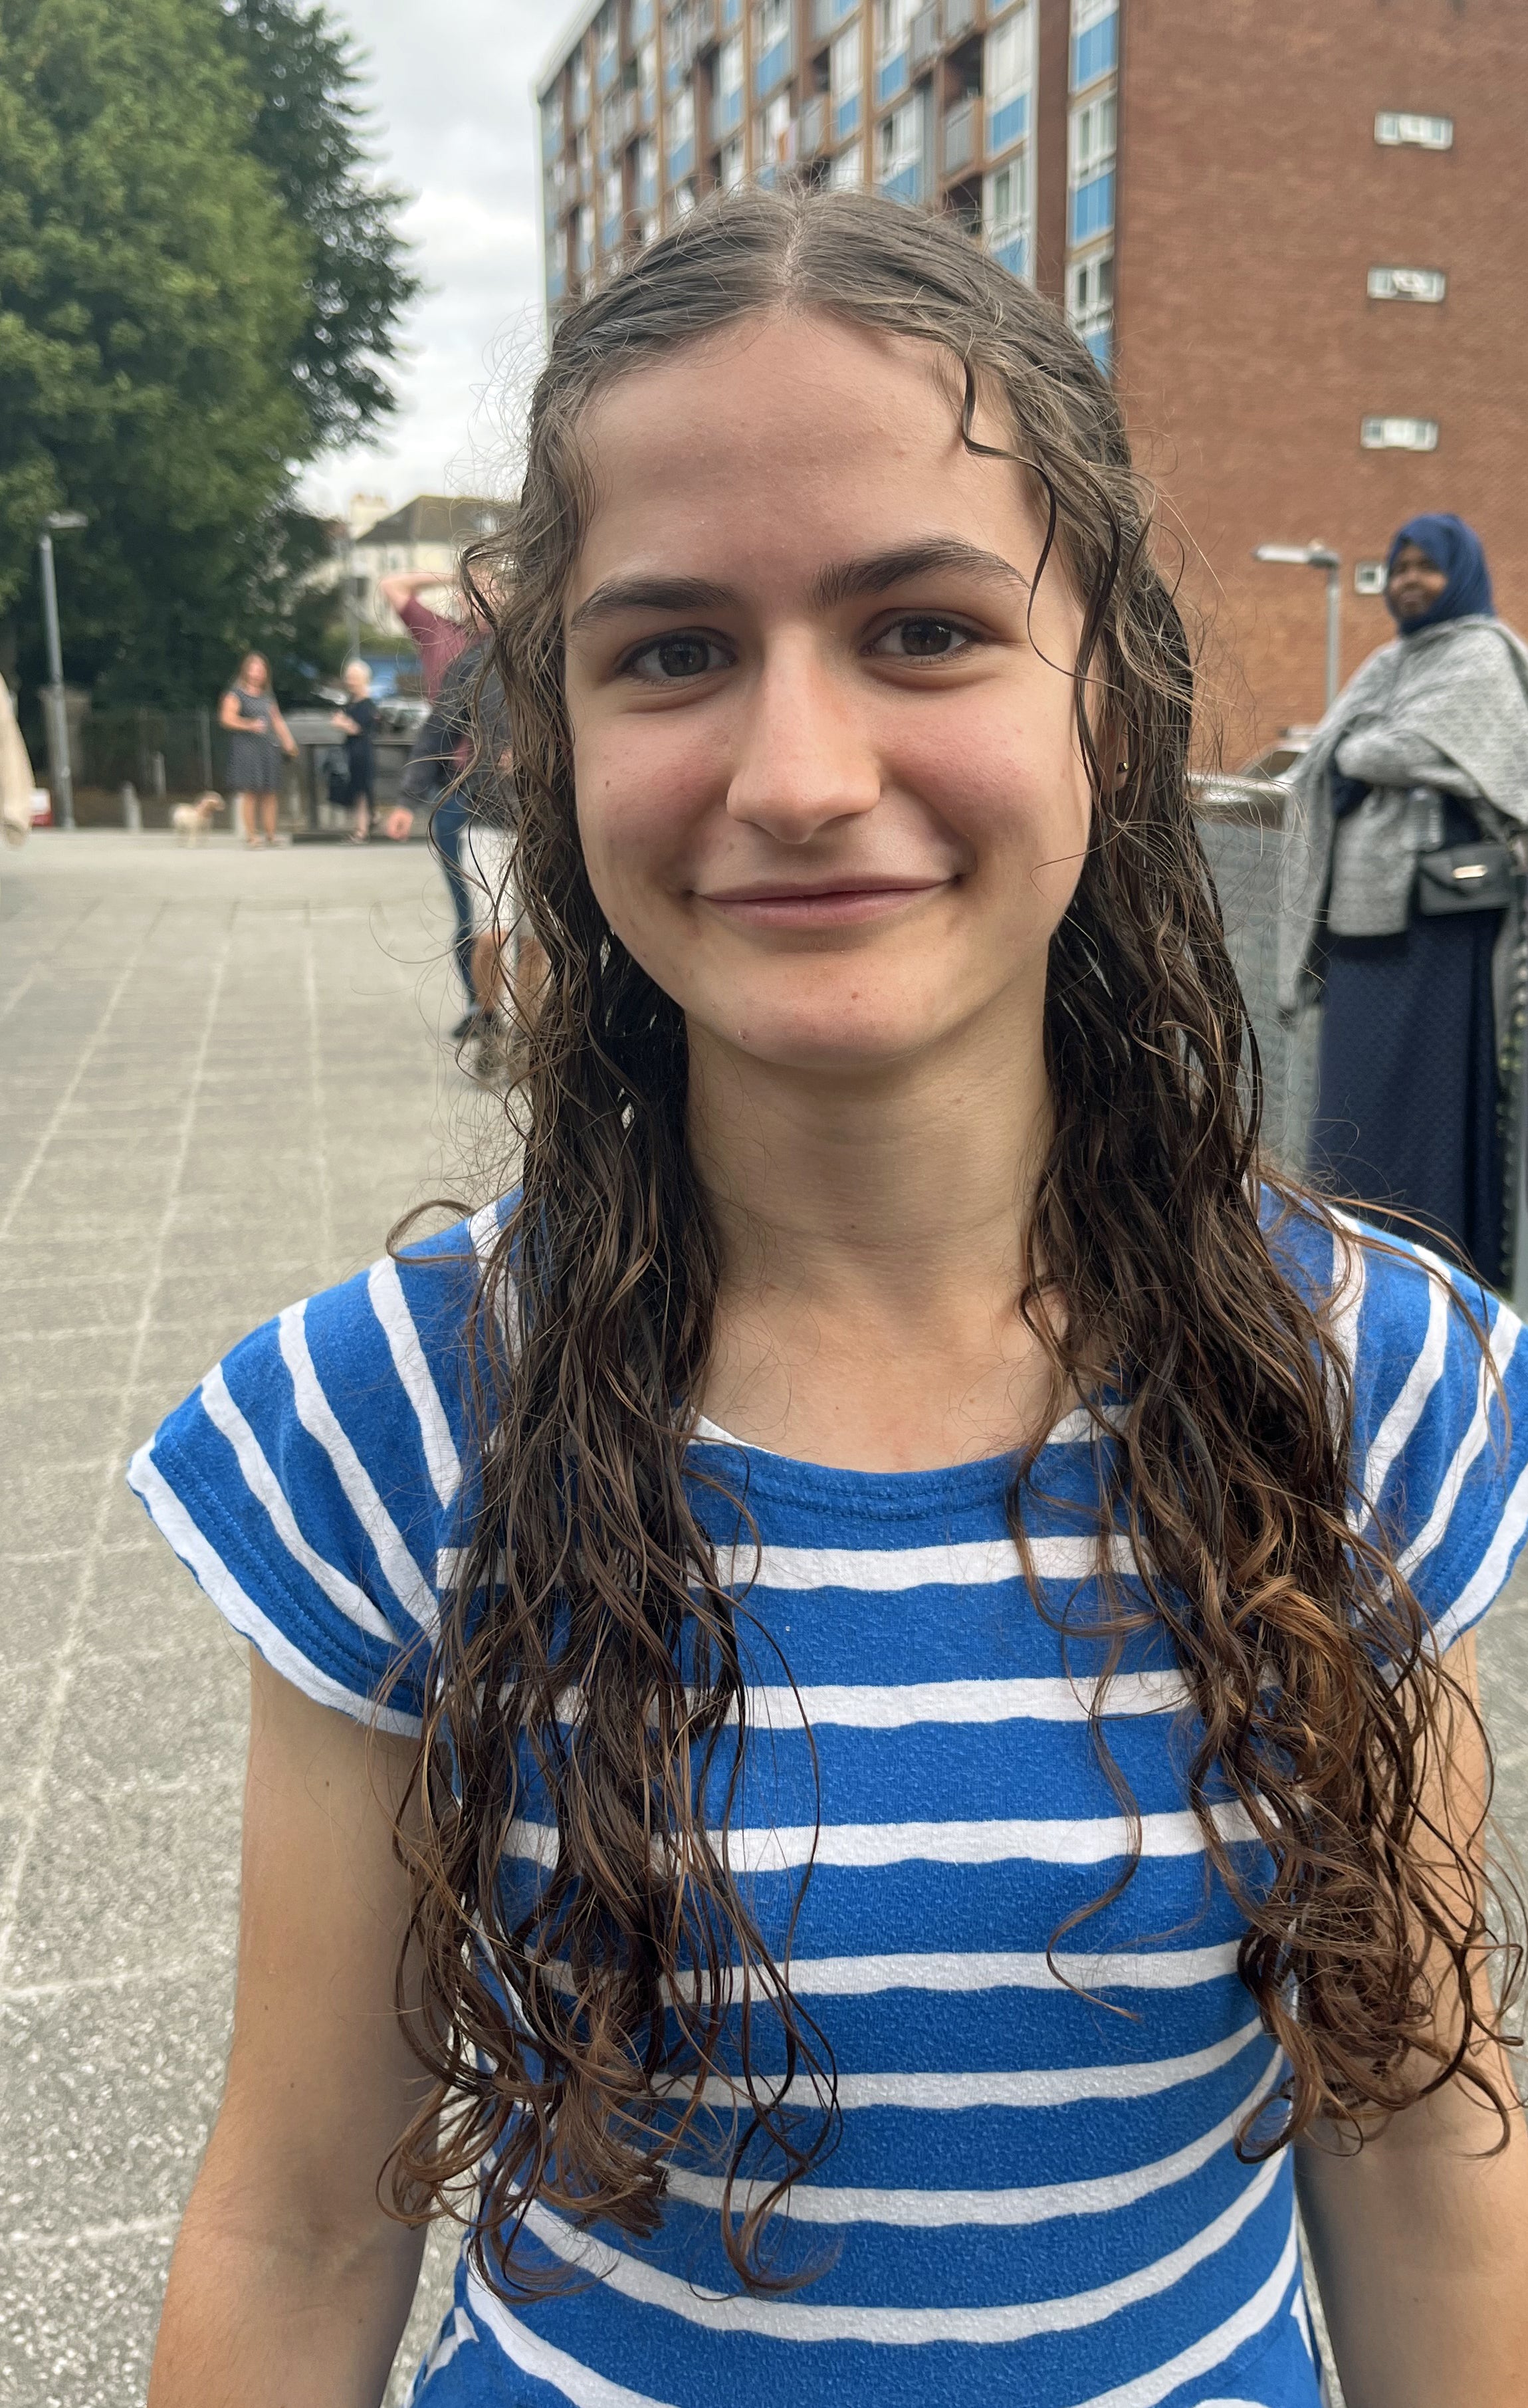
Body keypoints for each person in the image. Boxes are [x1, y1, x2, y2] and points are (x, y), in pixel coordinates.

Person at [132, 193, 1528, 2408]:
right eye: (670, 649)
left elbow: (1408, 2132)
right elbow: (305, 2208)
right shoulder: (387, 1423)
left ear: (1111, 682)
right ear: (555, 735)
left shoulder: (1369, 1381)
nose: (796, 777)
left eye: (919, 629)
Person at [1281, 515, 1528, 1286]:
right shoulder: (1392, 661)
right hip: (1360, 922)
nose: (1409, 581)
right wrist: (1356, 749)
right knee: (1353, 1102)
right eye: (1399, 567)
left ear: (1459, 573)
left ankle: (1431, 1269)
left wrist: (1360, 750)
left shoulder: (1482, 655)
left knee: (1430, 1101)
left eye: (1426, 567)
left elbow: (1401, 748)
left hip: (1439, 924)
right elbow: (1329, 745)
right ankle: (1347, 1258)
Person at [218, 651, 296, 846]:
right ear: (246, 671)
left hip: (267, 748)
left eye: (262, 669)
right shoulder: (235, 694)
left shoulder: (268, 697)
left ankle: (271, 834)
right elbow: (226, 719)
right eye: (254, 668)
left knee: (270, 792)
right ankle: (252, 836)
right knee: (251, 792)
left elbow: (277, 721)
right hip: (246, 748)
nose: (258, 673)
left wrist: (288, 741)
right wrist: (249, 725)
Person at [333, 658, 380, 842]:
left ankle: (362, 829)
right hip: (352, 751)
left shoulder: (367, 705)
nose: (350, 682)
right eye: (348, 678)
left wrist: (342, 723)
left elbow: (358, 728)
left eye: (354, 678)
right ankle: (369, 820)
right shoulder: (352, 702)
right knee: (358, 790)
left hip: (363, 751)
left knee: (362, 790)